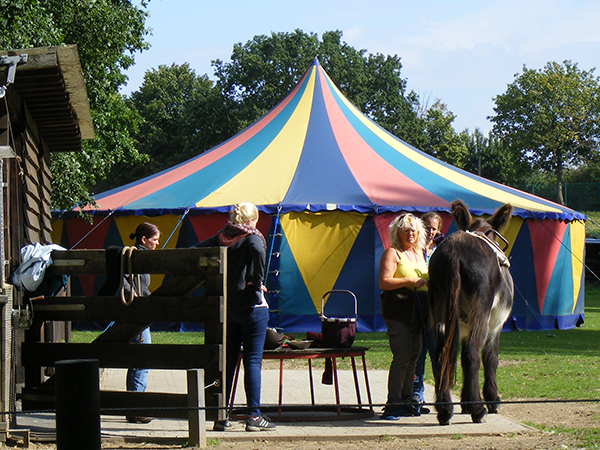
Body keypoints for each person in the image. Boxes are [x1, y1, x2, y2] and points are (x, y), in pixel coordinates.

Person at [195, 202, 275, 432]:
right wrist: (257, 280)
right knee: (252, 361)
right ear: (252, 220)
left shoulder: (222, 237)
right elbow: (259, 251)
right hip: (252, 307)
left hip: (227, 307)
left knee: (227, 362)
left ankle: (221, 416)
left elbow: (194, 250)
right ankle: (254, 416)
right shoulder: (252, 237)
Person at [379, 213, 429, 420]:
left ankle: (409, 399)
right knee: (401, 357)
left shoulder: (420, 254)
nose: (410, 234)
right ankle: (394, 403)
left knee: (414, 357)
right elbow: (384, 282)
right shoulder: (392, 253)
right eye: (406, 230)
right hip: (398, 313)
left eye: (414, 230)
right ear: (397, 232)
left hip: (418, 314)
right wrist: (410, 279)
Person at [124, 222, 161, 424]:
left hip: (139, 312)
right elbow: (122, 279)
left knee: (138, 360)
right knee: (142, 359)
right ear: (143, 239)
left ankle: (133, 406)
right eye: (154, 240)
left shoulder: (138, 256)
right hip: (135, 313)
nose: (157, 244)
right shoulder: (133, 256)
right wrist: (133, 294)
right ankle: (136, 408)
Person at [412, 212, 444, 413]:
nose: (431, 232)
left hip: (437, 305)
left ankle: (442, 393)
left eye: (434, 228)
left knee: (437, 351)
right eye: (427, 228)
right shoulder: (412, 248)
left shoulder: (443, 249)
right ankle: (417, 394)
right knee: (418, 351)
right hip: (416, 304)